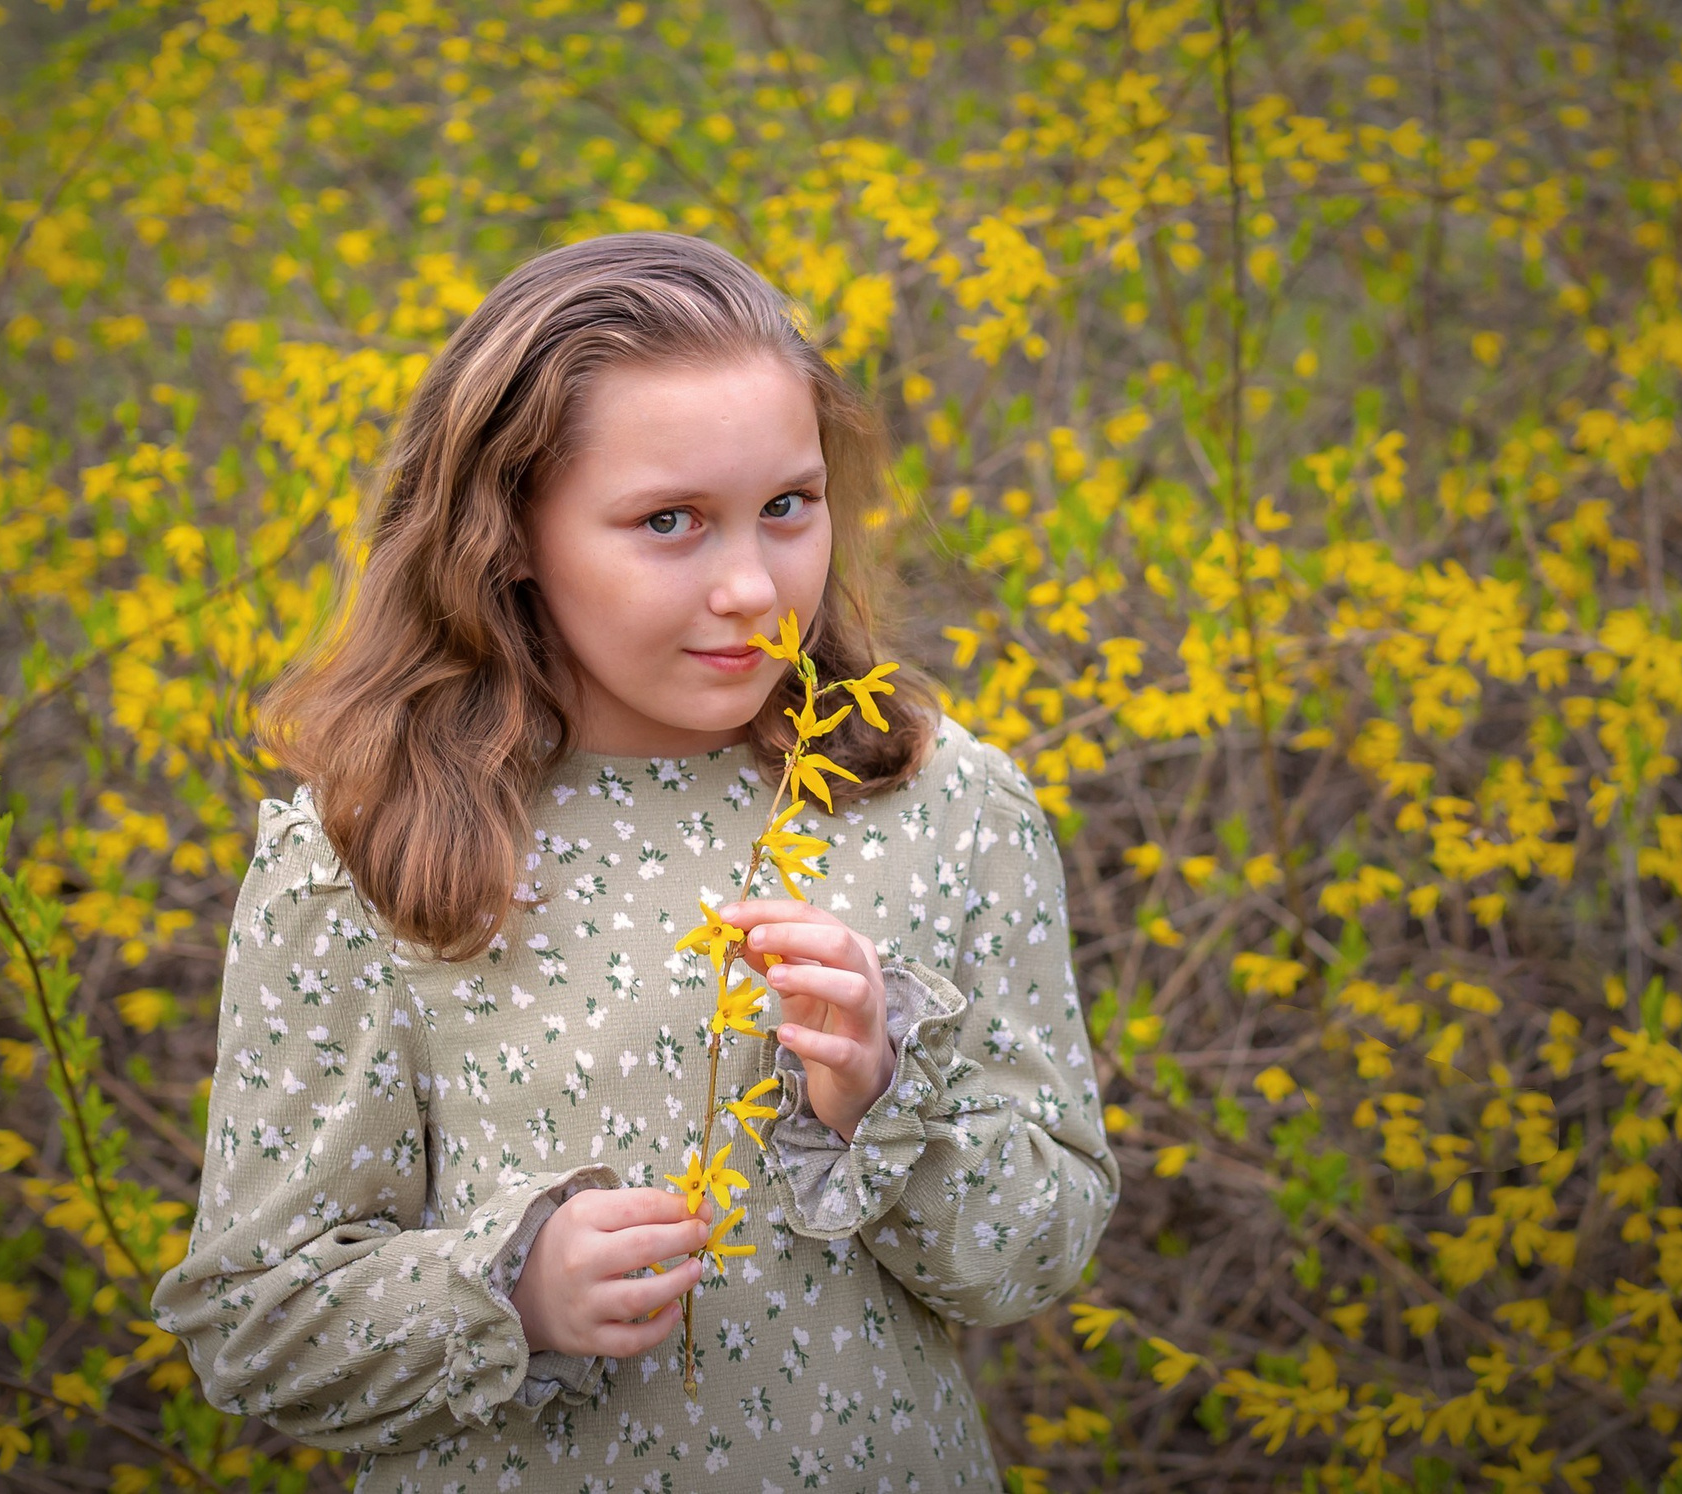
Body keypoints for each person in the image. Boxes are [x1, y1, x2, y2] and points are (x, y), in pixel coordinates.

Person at [150, 232, 1118, 1492]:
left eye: (789, 506)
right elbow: (253, 1327)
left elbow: (1035, 1254)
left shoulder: (942, 807)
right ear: (510, 537)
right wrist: (510, 1292)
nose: (749, 589)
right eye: (668, 521)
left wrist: (884, 1105)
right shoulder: (363, 854)